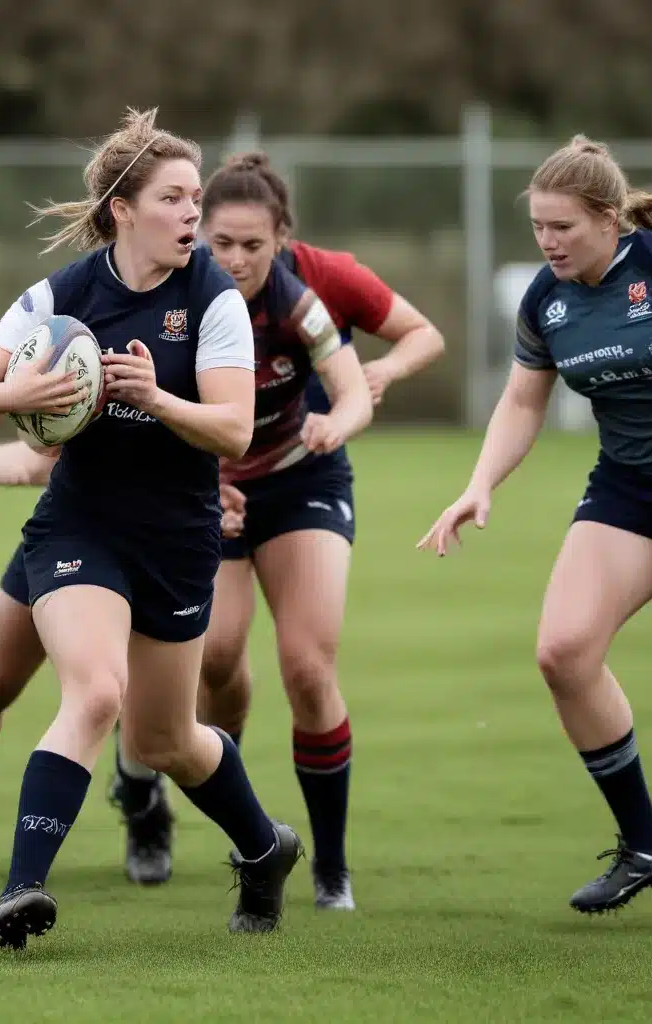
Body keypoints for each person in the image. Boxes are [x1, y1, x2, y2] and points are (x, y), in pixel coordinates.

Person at [0, 108, 302, 949]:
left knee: (166, 738)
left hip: (177, 538)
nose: (192, 215)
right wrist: (14, 399)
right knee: (97, 692)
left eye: (194, 197)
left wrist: (154, 397)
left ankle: (263, 848)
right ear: (122, 210)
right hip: (82, 527)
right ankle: (21, 891)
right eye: (174, 198)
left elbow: (234, 431)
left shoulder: (210, 294)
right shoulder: (61, 297)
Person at [190, 153, 445, 910]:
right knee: (217, 658)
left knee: (307, 666)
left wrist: (362, 396)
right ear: (198, 235)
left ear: (283, 239)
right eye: (220, 244)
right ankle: (196, 797)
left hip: (303, 476)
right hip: (215, 485)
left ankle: (330, 864)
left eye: (253, 246)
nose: (235, 259)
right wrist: (206, 482)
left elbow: (408, 345)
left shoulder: (312, 290)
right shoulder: (179, 292)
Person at [418, 134, 652, 914]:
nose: (548, 242)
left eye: (563, 227)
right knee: (563, 652)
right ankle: (645, 845)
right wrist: (478, 484)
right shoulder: (547, 303)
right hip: (630, 491)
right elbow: (524, 401)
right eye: (538, 229)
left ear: (608, 218)